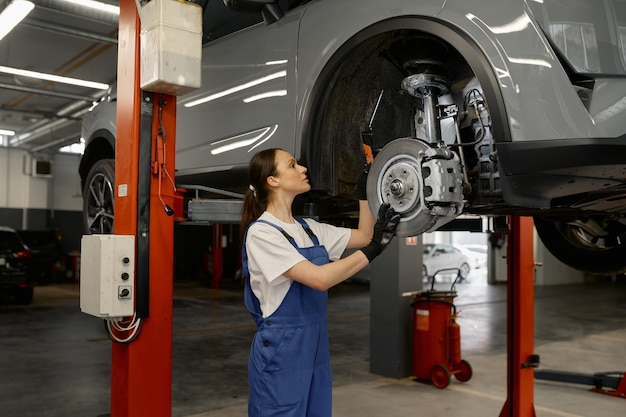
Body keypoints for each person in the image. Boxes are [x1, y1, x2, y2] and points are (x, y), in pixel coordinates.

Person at [240, 148, 400, 417]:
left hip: (314, 344)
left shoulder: (309, 228)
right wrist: (373, 251)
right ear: (273, 181)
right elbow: (319, 279)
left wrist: (365, 188)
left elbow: (364, 235)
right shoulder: (262, 233)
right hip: (282, 347)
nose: (303, 169)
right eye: (292, 165)